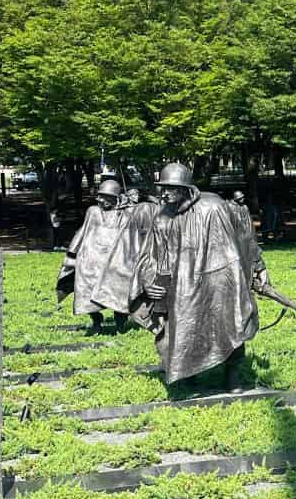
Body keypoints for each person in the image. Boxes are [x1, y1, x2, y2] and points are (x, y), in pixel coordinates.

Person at [130, 163, 258, 392]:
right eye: (163, 188)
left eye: (172, 188)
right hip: (181, 287)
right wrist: (149, 281)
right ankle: (187, 374)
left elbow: (244, 238)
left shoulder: (214, 207)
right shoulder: (162, 218)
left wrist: (257, 266)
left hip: (219, 280)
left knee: (229, 325)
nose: (165, 193)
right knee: (181, 330)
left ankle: (232, 375)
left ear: (186, 189)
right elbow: (149, 255)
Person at [57, 179, 151, 334]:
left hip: (117, 260)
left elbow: (137, 229)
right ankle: (96, 320)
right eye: (99, 196)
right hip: (91, 259)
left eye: (104, 197)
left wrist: (128, 205)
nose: (100, 200)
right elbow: (82, 232)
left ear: (115, 198)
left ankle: (120, 321)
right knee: (85, 289)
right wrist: (72, 254)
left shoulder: (126, 214)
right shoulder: (93, 211)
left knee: (120, 288)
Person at [226, 191, 270, 289]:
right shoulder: (230, 208)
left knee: (254, 255)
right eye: (240, 198)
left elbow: (249, 224)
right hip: (237, 238)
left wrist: (251, 236)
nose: (243, 199)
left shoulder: (244, 207)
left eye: (243, 197)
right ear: (235, 199)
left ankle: (263, 281)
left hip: (247, 238)